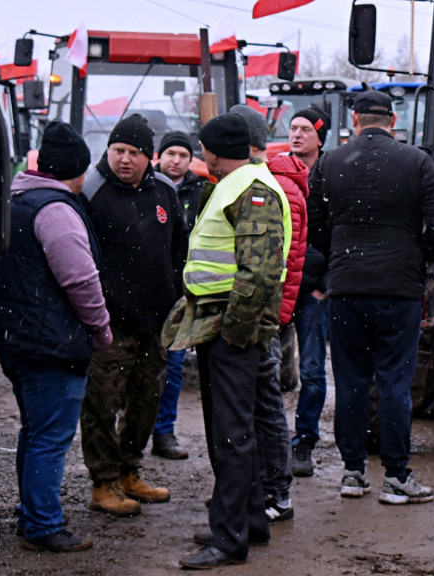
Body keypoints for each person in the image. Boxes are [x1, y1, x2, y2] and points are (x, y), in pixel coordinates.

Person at [308, 90, 434, 504]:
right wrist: (418, 258)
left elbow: (314, 221)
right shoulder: (416, 161)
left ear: (355, 121)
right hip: (398, 288)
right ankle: (396, 476)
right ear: (392, 120)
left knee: (351, 381)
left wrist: (340, 254)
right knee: (394, 381)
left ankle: (353, 473)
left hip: (346, 286)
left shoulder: (331, 161)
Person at [0, 120, 109, 552]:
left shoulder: (19, 200)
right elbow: (81, 280)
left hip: (19, 338)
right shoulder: (57, 211)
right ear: (78, 170)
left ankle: (31, 514)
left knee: (33, 431)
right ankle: (43, 526)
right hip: (51, 344)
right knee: (49, 436)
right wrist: (101, 330)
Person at [162, 113, 290, 569]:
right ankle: (248, 521)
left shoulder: (250, 189)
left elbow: (258, 272)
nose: (200, 155)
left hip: (230, 328)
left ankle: (229, 538)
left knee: (231, 435)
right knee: (238, 429)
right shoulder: (239, 185)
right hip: (222, 324)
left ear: (217, 151)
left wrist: (234, 331)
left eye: (204, 148)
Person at [79, 114, 190, 516]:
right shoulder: (91, 192)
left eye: (134, 153)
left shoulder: (165, 192)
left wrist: (174, 294)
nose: (124, 160)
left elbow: (180, 246)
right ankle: (103, 483)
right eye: (118, 151)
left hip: (155, 322)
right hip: (109, 325)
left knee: (146, 402)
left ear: (150, 157)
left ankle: (130, 472)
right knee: (101, 405)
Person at [230, 103, 308, 522]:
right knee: (263, 403)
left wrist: (271, 312)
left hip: (266, 311)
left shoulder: (270, 187)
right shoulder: (276, 182)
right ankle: (262, 488)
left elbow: (280, 258)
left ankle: (274, 492)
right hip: (273, 308)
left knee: (264, 404)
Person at [151, 130, 205, 460]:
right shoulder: (148, 190)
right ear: (159, 156)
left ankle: (164, 432)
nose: (176, 160)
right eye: (171, 153)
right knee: (139, 367)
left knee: (173, 366)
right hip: (148, 291)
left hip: (183, 293)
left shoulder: (201, 192)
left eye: (183, 155)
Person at [288, 107, 332, 477]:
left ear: (321, 137)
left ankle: (304, 441)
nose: (297, 134)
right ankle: (263, 442)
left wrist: (326, 284)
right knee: (260, 368)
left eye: (305, 129)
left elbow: (344, 235)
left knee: (313, 371)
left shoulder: (333, 177)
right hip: (277, 287)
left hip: (312, 291)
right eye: (293, 128)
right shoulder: (275, 174)